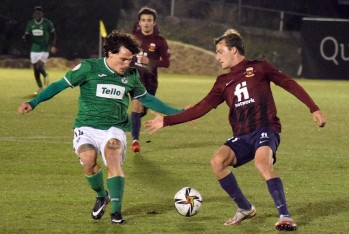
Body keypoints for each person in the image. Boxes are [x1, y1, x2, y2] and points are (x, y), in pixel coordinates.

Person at [145, 29, 326, 231]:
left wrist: (313, 107)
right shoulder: (223, 82)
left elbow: (289, 83)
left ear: (233, 50)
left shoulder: (260, 67)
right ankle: (245, 207)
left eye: (220, 51)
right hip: (242, 135)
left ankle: (285, 215)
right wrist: (167, 121)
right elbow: (201, 108)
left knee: (262, 163)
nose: (217, 56)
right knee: (217, 161)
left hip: (265, 128)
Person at [18, 31, 182, 225]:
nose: (127, 64)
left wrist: (178, 113)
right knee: (88, 160)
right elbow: (60, 85)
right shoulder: (89, 67)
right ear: (110, 54)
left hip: (114, 127)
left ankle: (116, 213)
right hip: (86, 126)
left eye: (130, 60)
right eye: (123, 59)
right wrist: (34, 102)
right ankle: (101, 195)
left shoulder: (131, 74)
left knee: (113, 155)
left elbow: (146, 98)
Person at [130, 6, 171, 153]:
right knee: (136, 105)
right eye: (143, 20)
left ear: (154, 23)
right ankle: (135, 140)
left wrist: (150, 62)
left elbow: (166, 63)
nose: (146, 23)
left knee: (141, 111)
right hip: (135, 79)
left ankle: (134, 121)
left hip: (150, 82)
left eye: (149, 20)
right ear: (139, 22)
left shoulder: (159, 41)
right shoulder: (132, 38)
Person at [22, 6, 57, 95]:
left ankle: (45, 75)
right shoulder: (30, 24)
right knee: (35, 70)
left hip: (44, 48)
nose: (38, 14)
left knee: (39, 66)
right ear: (34, 14)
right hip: (34, 49)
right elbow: (27, 35)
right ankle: (40, 87)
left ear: (42, 14)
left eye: (39, 13)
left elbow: (54, 34)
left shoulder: (47, 23)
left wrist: (53, 45)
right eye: (36, 13)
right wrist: (24, 37)